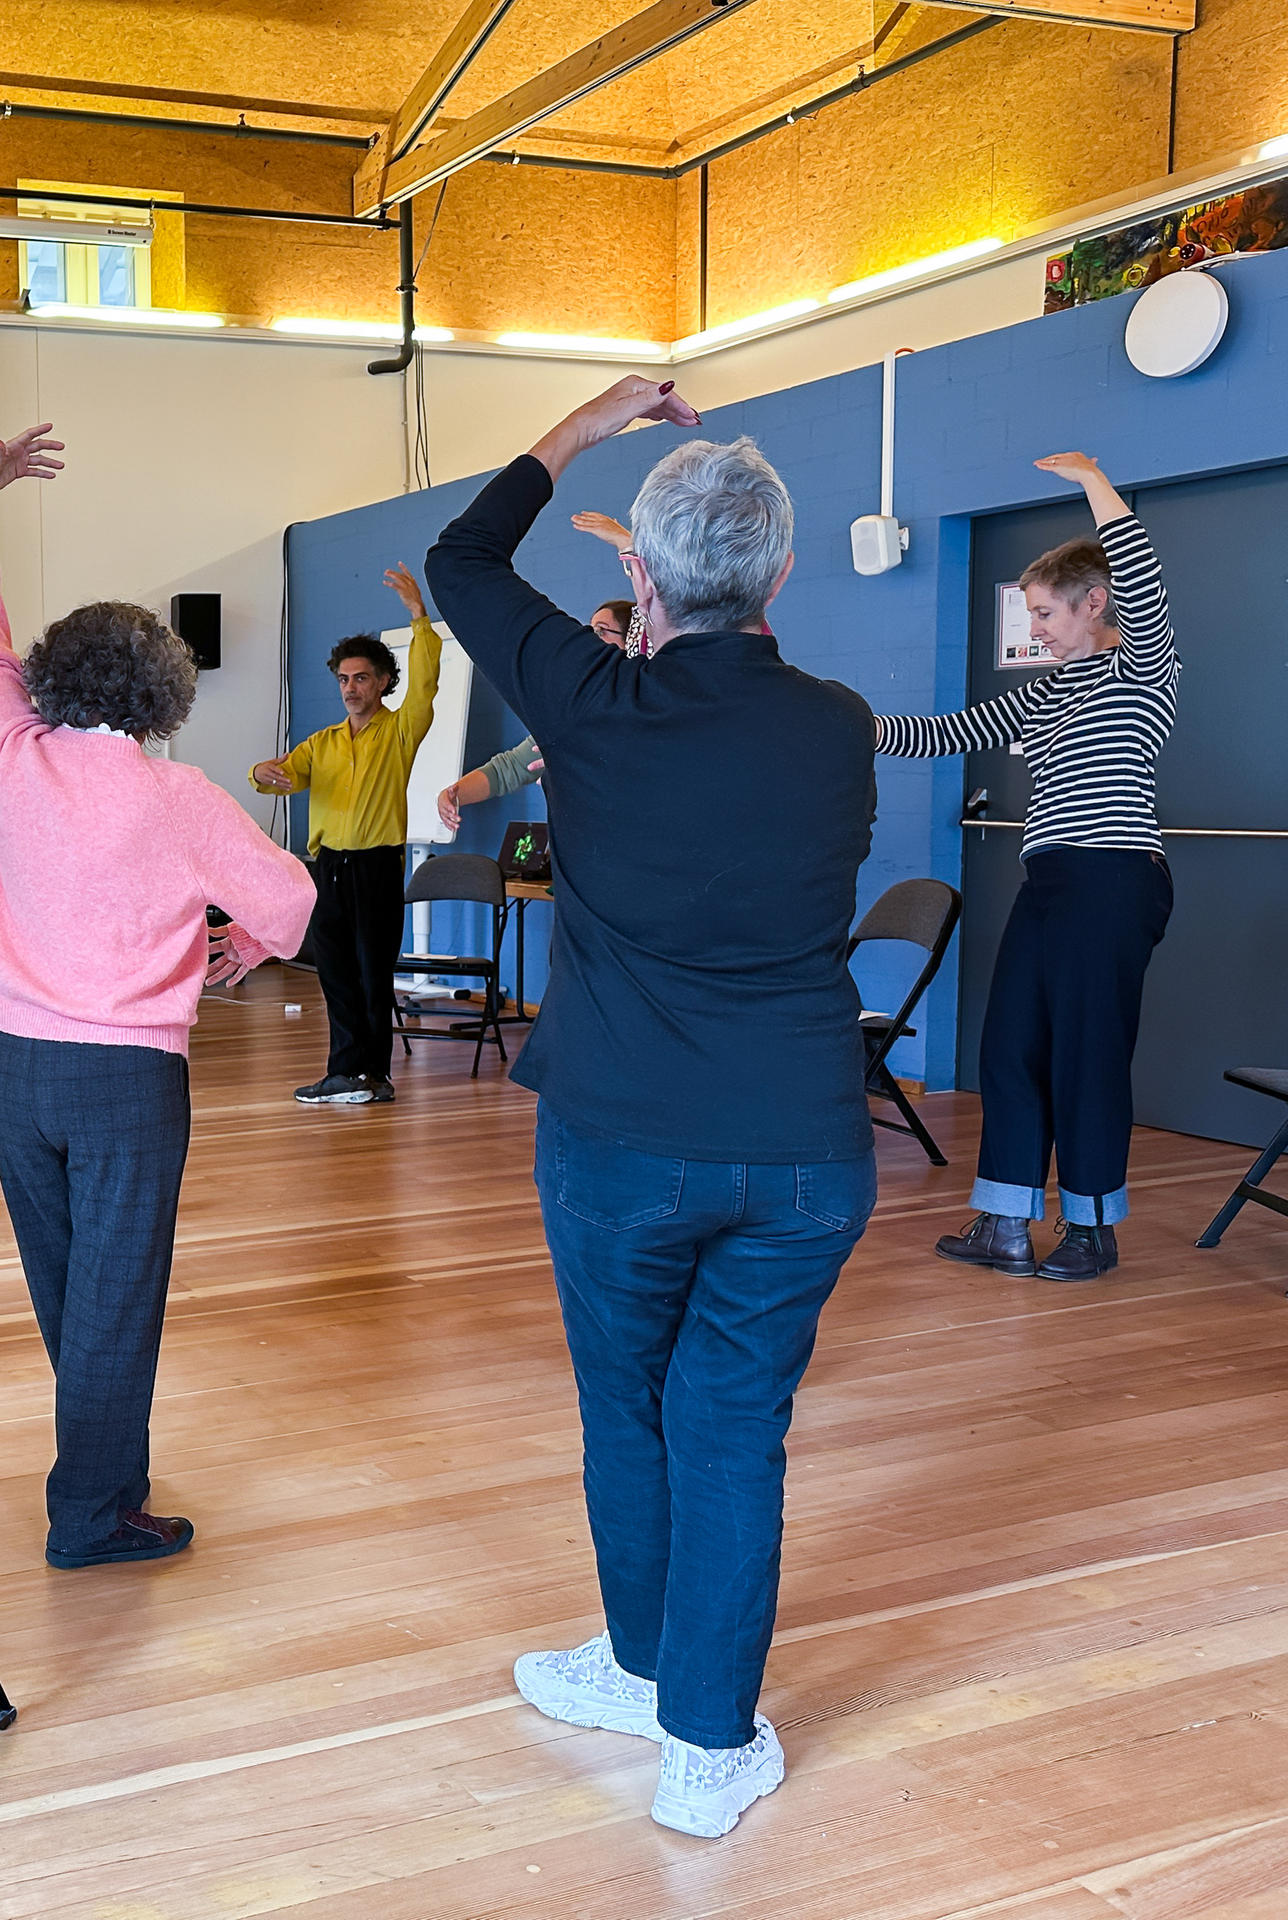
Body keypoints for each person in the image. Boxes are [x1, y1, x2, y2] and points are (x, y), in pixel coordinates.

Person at [424, 377, 880, 1839]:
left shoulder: (592, 700)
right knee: (731, 1425)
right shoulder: (838, 726)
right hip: (806, 1144)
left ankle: (656, 1679)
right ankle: (694, 1733)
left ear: (637, 573)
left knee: (632, 1410)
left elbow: (460, 563)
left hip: (620, 1140)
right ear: (785, 577)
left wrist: (585, 425)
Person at [0, 423, 315, 1570]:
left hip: (14, 1069)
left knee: (71, 1296)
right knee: (115, 1303)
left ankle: (99, 1469)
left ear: (52, 678)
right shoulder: (180, 794)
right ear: (164, 691)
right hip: (126, 1080)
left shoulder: (14, 747)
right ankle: (94, 1512)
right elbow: (295, 903)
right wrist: (246, 946)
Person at [875, 453, 1178, 1281]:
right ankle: (1005, 1220)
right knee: (1011, 1044)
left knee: (1087, 1052)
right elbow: (945, 731)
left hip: (1113, 878)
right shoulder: (1046, 691)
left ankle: (1090, 1230)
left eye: (1045, 612)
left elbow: (1143, 579)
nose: (1035, 628)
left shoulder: (1141, 669)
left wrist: (1094, 483)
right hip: (1048, 883)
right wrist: (850, 723)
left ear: (1095, 603)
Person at [249, 569, 441, 1106]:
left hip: (377, 866)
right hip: (328, 867)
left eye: (361, 678)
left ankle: (373, 1076)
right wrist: (262, 773)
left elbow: (426, 684)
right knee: (334, 972)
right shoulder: (323, 742)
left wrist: (418, 617)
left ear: (382, 681)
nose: (351, 687)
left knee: (372, 971)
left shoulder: (401, 730)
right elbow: (281, 774)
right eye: (343, 679)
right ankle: (343, 1072)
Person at [435, 588, 634, 832]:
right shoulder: (571, 710)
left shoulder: (650, 705)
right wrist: (456, 794)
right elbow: (510, 768)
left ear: (633, 642)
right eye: (590, 630)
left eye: (601, 631)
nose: (590, 639)